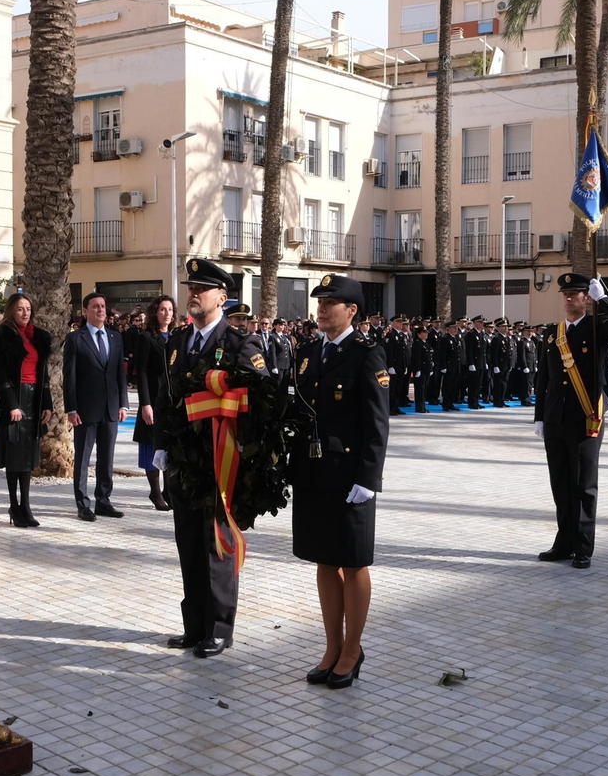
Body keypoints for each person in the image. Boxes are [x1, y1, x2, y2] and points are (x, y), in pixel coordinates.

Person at [156, 259, 267, 659]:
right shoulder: (177, 342)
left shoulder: (240, 344)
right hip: (184, 464)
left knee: (216, 546)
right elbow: (166, 399)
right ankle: (195, 626)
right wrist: (161, 444)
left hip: (222, 462)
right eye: (191, 288)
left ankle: (220, 628)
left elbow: (257, 400)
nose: (193, 294)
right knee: (188, 543)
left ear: (223, 296)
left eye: (202, 288)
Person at [287, 275, 389, 689]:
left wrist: (369, 477)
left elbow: (377, 423)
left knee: (353, 561)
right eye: (321, 301)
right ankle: (332, 646)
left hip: (350, 477)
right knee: (324, 560)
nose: (323, 308)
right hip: (314, 473)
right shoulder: (309, 353)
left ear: (352, 311)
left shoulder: (368, 354)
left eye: (333, 302)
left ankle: (352, 649)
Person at [533, 273, 608, 568]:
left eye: (575, 293)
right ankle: (563, 542)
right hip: (556, 418)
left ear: (586, 298)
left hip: (586, 416)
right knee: (560, 483)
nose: (568, 298)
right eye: (564, 293)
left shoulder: (597, 327)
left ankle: (584, 546)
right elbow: (544, 378)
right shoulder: (553, 333)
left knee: (584, 485)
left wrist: (604, 297)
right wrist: (539, 416)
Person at [0, 293, 52, 527]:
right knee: (14, 457)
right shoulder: (3, 337)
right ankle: (14, 506)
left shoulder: (39, 337)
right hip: (13, 400)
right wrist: (12, 404)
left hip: (34, 399)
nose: (24, 313)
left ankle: (26, 505)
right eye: (19, 309)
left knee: (27, 457)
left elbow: (43, 375)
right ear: (11, 312)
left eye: (27, 309)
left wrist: (47, 404)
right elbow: (0, 375)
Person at [64, 292, 129, 521]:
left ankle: (103, 500)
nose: (101, 310)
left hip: (110, 408)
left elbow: (120, 373)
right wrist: (71, 408)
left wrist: (123, 403)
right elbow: (69, 376)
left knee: (106, 457)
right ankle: (83, 504)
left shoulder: (115, 338)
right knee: (83, 458)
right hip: (85, 409)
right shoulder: (75, 339)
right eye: (95, 306)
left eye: (103, 306)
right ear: (85, 311)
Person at [133, 295, 174, 511]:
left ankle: (168, 490)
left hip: (170, 401)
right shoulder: (146, 337)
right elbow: (140, 371)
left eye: (170, 310)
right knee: (151, 445)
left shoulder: (176, 337)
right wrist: (145, 404)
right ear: (155, 313)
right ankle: (155, 492)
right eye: (162, 310)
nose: (167, 314)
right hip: (153, 398)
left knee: (168, 444)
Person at [411, 325, 434, 413]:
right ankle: (419, 406)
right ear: (418, 334)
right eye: (423, 333)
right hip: (421, 369)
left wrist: (430, 368)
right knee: (420, 389)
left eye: (426, 333)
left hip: (426, 369)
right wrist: (417, 369)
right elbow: (416, 358)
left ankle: (423, 406)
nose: (425, 334)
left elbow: (429, 357)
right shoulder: (417, 344)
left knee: (424, 389)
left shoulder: (425, 343)